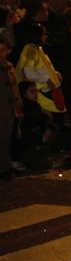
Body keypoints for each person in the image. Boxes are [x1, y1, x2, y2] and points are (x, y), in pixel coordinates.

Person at [0, 37, 21, 178]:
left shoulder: (9, 66)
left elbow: (15, 89)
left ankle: (5, 166)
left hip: (9, 111)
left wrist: (18, 106)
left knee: (5, 140)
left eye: (2, 50)